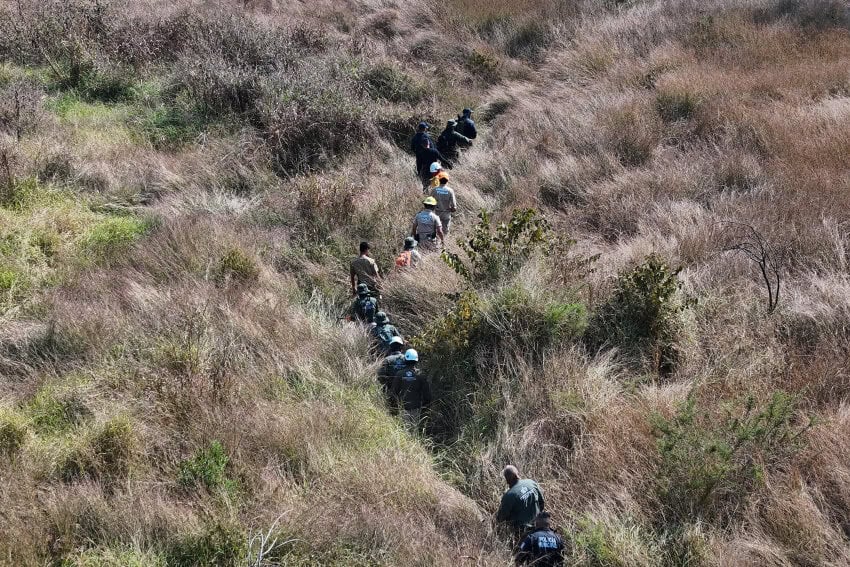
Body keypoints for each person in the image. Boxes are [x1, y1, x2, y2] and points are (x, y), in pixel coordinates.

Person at [496, 465, 546, 539]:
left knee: (523, 550)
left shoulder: (509, 495)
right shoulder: (531, 482)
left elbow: (500, 518)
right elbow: (542, 503)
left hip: (522, 533)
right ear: (517, 473)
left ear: (507, 480)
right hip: (539, 527)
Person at [391, 349, 431, 427]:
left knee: (405, 432)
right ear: (416, 360)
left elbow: (393, 392)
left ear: (405, 359)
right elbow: (427, 395)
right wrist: (424, 407)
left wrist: (396, 406)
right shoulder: (420, 375)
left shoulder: (399, 374)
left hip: (403, 408)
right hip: (416, 408)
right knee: (414, 431)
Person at [378, 336, 406, 400]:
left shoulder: (387, 359)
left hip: (391, 392)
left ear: (390, 347)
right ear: (401, 347)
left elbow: (381, 376)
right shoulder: (407, 359)